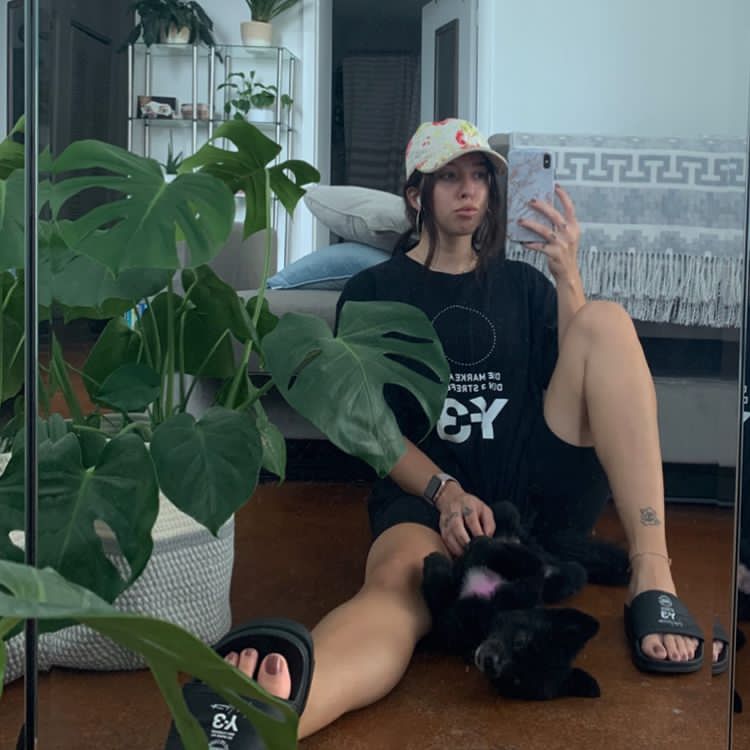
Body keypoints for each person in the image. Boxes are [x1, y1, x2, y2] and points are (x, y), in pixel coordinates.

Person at [224, 118, 722, 739]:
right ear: (416, 195)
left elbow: (585, 378)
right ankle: (277, 713)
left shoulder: (522, 283)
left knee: (606, 321)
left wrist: (567, 274)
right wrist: (446, 493)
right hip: (425, 492)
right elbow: (370, 426)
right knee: (395, 588)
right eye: (450, 177)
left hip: (534, 489)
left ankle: (653, 572)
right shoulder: (374, 291)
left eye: (480, 176)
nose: (469, 190)